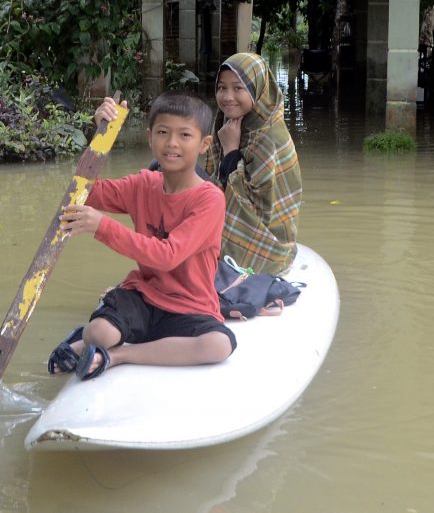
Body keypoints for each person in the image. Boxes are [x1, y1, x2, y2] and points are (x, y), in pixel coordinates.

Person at [47, 92, 236, 380]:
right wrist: (100, 138)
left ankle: (118, 356)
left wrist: (102, 226)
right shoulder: (143, 184)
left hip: (190, 304)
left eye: (185, 135)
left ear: (204, 144)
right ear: (150, 138)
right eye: (163, 133)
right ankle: (87, 340)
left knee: (219, 345)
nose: (172, 143)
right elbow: (84, 191)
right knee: (99, 332)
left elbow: (167, 256)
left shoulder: (209, 199)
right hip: (144, 295)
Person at [205, 52, 302, 275]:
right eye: (222, 87)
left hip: (267, 244)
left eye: (238, 88)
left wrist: (231, 151)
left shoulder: (269, 137)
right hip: (243, 225)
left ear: (258, 89)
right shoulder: (230, 124)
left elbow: (256, 207)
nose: (228, 96)